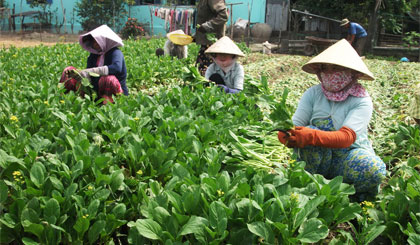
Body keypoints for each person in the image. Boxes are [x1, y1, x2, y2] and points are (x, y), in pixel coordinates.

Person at [277, 39, 386, 201]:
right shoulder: (313, 94)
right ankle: (308, 188)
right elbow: (294, 126)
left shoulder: (361, 100)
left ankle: (347, 194)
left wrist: (312, 135)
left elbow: (346, 137)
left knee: (373, 169)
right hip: (316, 160)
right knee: (308, 136)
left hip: (348, 157)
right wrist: (286, 136)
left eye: (336, 68)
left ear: (352, 72)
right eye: (324, 68)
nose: (329, 73)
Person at [59, 25, 128, 104]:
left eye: (97, 41)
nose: (94, 44)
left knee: (108, 79)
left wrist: (92, 71)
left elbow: (116, 68)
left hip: (115, 92)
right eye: (93, 42)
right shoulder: (94, 55)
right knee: (69, 70)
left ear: (104, 40)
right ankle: (65, 101)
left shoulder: (115, 52)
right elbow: (89, 76)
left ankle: (107, 104)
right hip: (95, 90)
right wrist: (79, 76)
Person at [195, 0, 228, 75]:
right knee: (200, 73)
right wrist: (197, 35)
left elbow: (223, 16)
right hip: (207, 43)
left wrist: (207, 26)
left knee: (210, 75)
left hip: (213, 44)